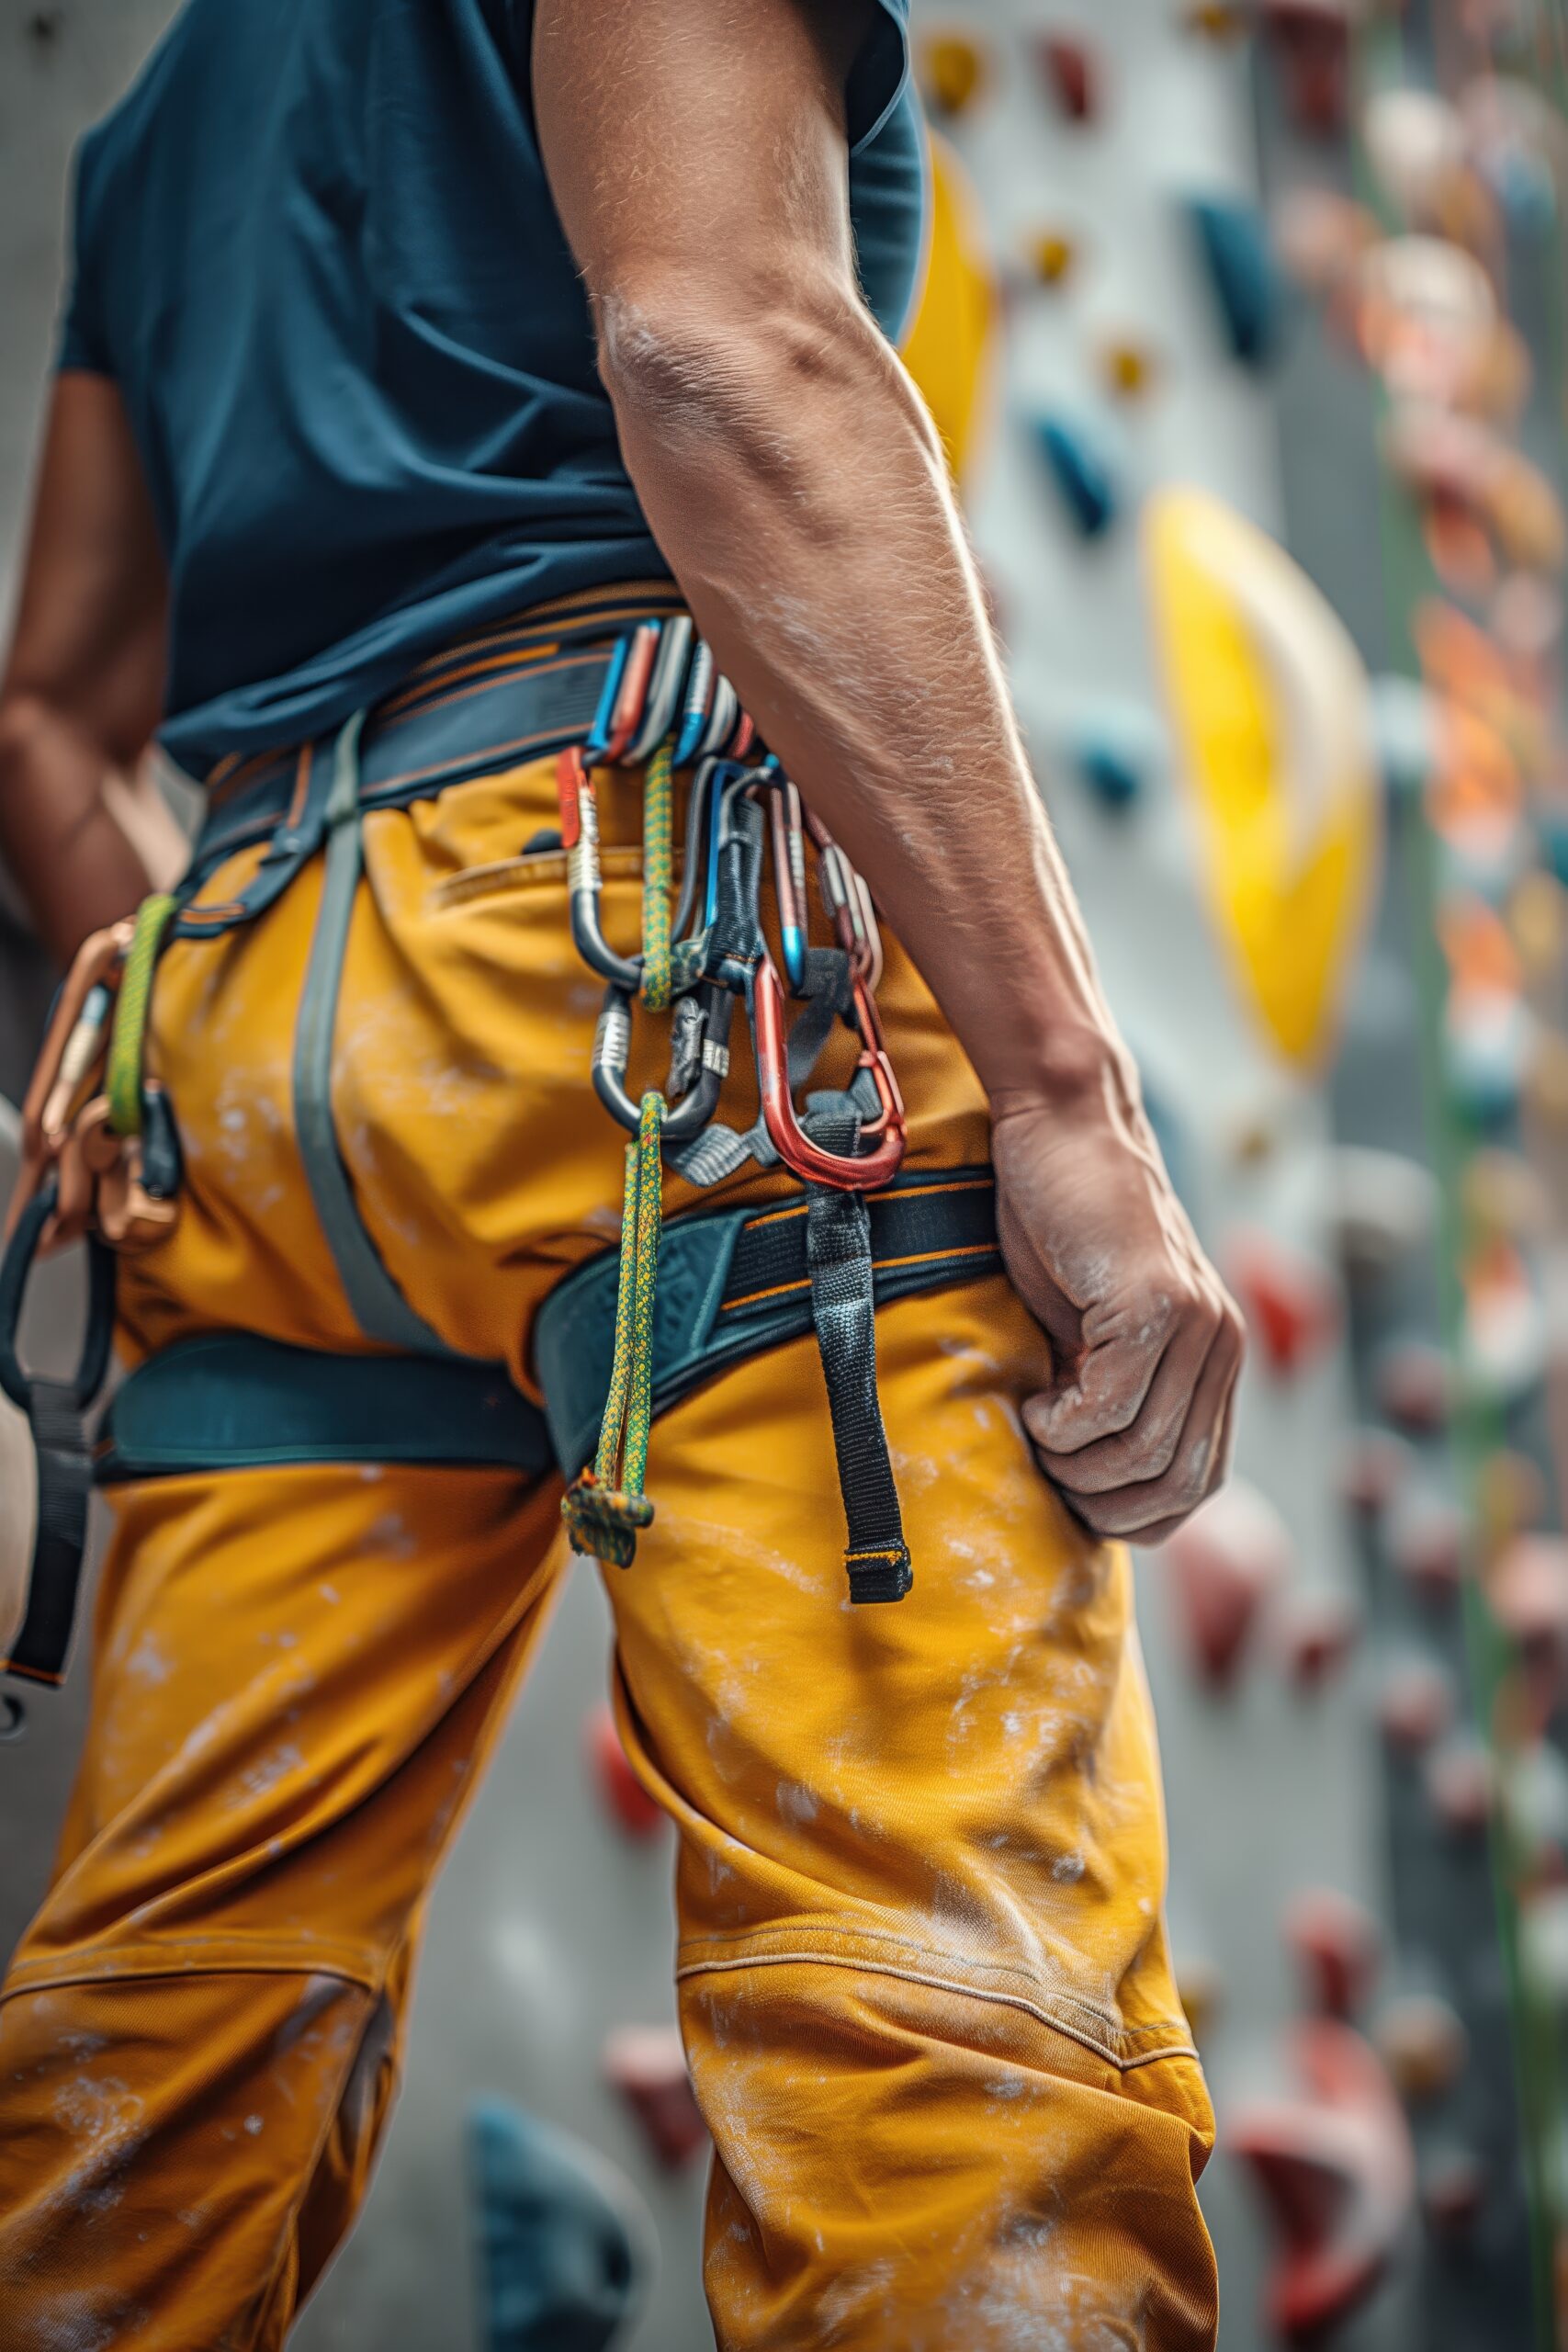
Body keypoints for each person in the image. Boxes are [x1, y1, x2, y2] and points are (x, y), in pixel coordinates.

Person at [0, 1, 1243, 2345]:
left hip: (257, 1026)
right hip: (666, 949)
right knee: (936, 2014)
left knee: (154, 2041)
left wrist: (267, 1045)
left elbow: (47, 714)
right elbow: (713, 338)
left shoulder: (169, 110)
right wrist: (1064, 1090)